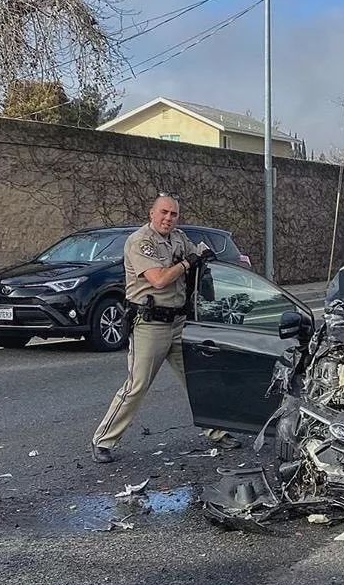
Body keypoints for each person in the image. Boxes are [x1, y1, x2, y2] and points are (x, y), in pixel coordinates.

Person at [91, 193, 240, 463]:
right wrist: (187, 263)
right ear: (152, 213)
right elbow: (158, 279)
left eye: (173, 214)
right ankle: (103, 440)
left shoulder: (179, 238)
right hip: (150, 324)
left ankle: (217, 431)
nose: (168, 218)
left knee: (197, 379)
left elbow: (201, 255)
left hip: (179, 322)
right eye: (163, 212)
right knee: (136, 386)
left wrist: (206, 258)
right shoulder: (141, 241)